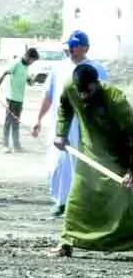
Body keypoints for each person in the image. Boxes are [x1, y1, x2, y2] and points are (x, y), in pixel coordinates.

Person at [48, 64, 133, 257]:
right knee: (78, 197)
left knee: (123, 204)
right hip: (89, 154)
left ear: (97, 84)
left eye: (88, 90)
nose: (84, 96)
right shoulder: (71, 87)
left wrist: (130, 169)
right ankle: (66, 242)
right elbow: (64, 107)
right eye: (81, 91)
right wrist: (61, 133)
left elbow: (132, 135)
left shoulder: (115, 100)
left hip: (118, 156)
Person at [31, 30, 108, 217]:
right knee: (57, 165)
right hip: (61, 126)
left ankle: (81, 205)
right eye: (69, 46)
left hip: (85, 127)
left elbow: (104, 100)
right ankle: (61, 202)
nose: (71, 49)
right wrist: (38, 119)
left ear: (85, 48)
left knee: (83, 165)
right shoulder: (59, 69)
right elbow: (48, 97)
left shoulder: (96, 69)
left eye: (75, 46)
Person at [0, 47, 39, 153]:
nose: (32, 63)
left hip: (19, 99)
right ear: (27, 56)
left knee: (16, 122)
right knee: (8, 121)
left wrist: (33, 80)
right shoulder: (16, 63)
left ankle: (16, 145)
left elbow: (29, 82)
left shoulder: (26, 66)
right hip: (11, 97)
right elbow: (4, 74)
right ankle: (5, 143)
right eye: (32, 60)